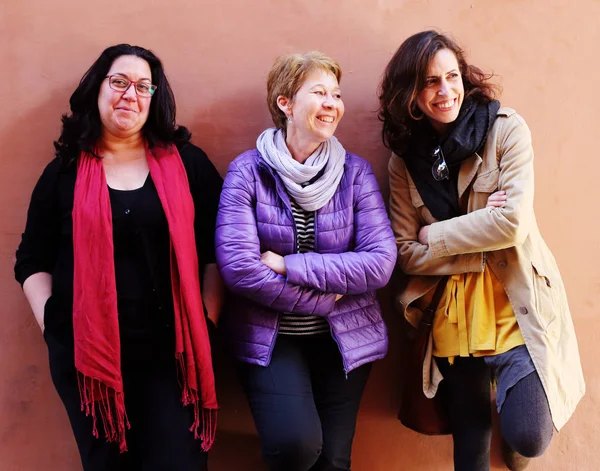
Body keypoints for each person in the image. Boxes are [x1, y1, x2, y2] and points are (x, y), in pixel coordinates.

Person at [379, 31, 585, 471]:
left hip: (516, 304)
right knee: (470, 455)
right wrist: (478, 231)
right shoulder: (403, 162)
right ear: (410, 95)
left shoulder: (505, 129)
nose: (445, 91)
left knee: (527, 436)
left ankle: (514, 420)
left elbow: (512, 224)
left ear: (465, 78)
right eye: (430, 82)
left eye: (451, 77)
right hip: (452, 314)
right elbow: (404, 253)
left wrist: (435, 235)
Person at [14, 44, 222, 471]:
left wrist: (209, 316)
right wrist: (53, 322)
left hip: (173, 357)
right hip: (89, 360)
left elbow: (218, 247)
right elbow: (31, 257)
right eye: (120, 82)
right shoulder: (64, 172)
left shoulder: (188, 164)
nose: (131, 94)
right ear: (97, 89)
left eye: (144, 86)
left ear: (154, 98)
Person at [215, 51, 397, 471]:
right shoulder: (247, 173)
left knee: (332, 461)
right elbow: (240, 269)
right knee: (295, 446)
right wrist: (324, 296)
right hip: (270, 339)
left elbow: (379, 263)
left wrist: (288, 265)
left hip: (345, 338)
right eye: (319, 92)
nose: (332, 103)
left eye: (336, 94)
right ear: (285, 103)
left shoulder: (356, 174)